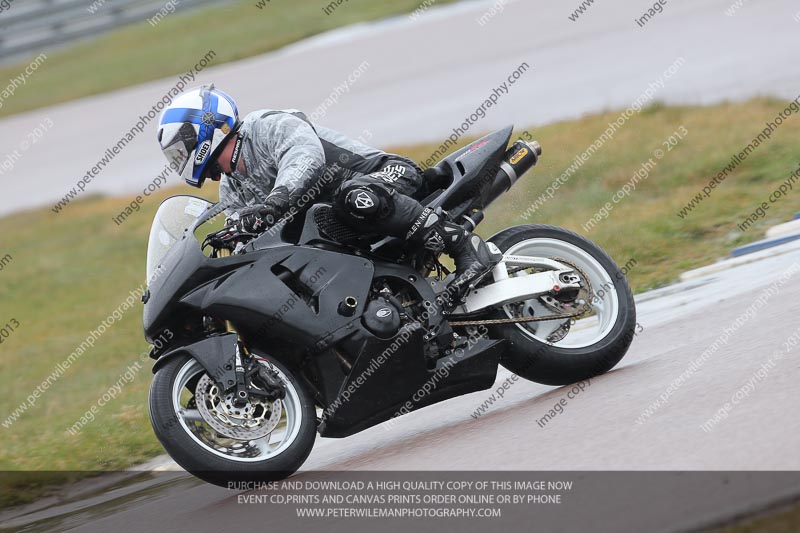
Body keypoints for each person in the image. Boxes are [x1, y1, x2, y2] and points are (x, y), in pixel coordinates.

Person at [156, 85, 500, 291]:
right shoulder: (231, 188)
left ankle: (462, 244)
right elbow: (244, 233)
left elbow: (305, 156)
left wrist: (274, 203)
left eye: (180, 149)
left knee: (352, 198)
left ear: (203, 130)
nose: (179, 158)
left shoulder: (265, 125)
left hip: (386, 178)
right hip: (341, 227)